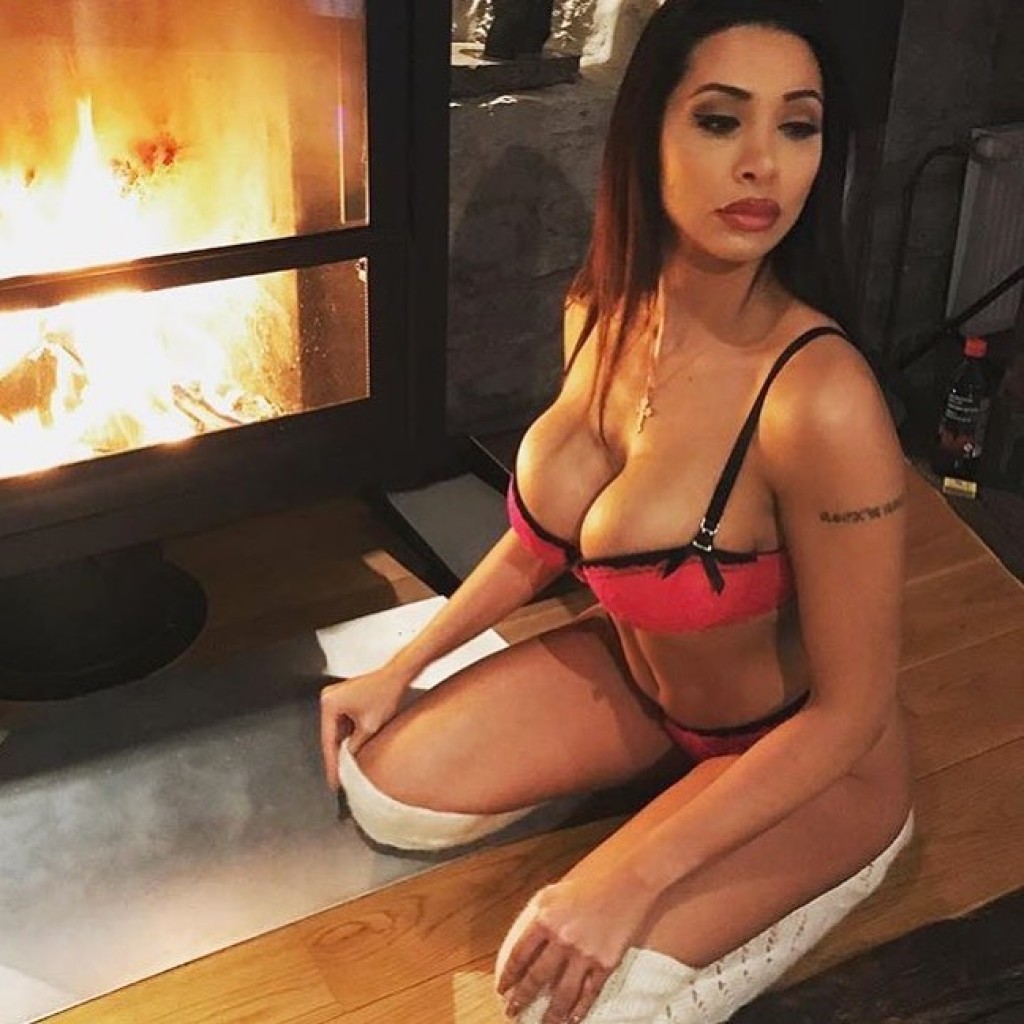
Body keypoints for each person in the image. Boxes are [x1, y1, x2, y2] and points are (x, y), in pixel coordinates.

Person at [319, 0, 915, 1020]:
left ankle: (847, 857)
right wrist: (400, 666)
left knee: (560, 1006)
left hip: (809, 759)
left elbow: (851, 713)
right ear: (648, 132)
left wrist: (624, 880)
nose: (762, 165)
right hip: (649, 695)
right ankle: (663, 795)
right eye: (720, 120)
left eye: (798, 126)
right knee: (382, 787)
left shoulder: (820, 398)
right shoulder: (598, 308)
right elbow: (537, 544)